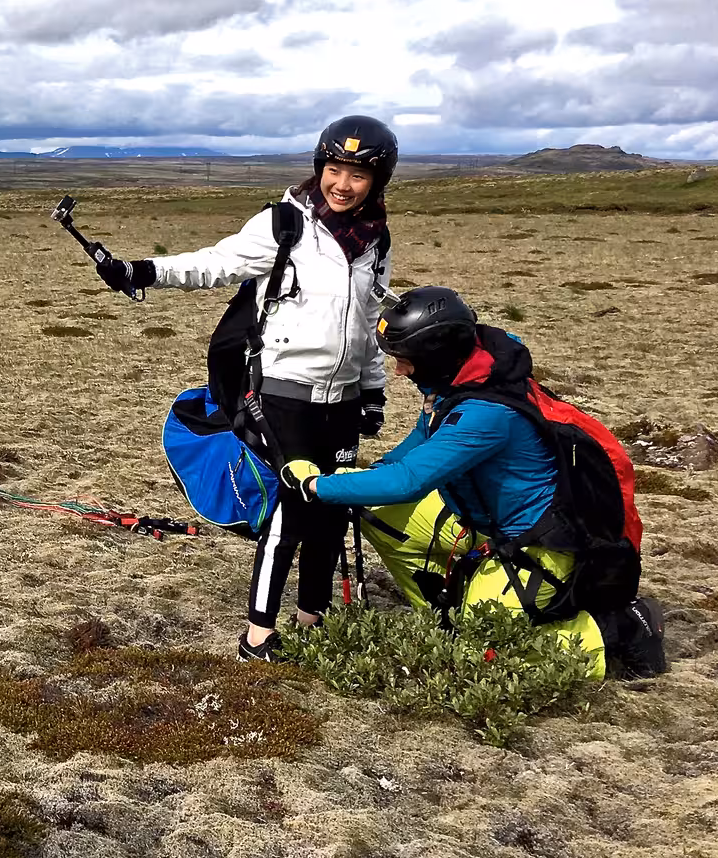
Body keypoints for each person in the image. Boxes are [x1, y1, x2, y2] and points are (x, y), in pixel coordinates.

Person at [98, 116, 397, 662]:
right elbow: (215, 263)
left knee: (333, 509)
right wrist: (141, 271)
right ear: (319, 168)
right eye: (334, 169)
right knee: (291, 507)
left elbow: (370, 321)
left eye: (357, 173)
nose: (343, 183)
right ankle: (257, 635)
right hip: (284, 394)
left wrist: (372, 392)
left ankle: (313, 620)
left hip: (344, 400)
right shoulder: (285, 224)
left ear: (378, 180)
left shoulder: (375, 239)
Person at [283, 285, 667, 679]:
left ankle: (618, 630)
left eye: (406, 361)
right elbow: (422, 440)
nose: (399, 370)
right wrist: (374, 471)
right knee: (369, 499)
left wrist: (316, 486)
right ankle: (444, 614)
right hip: (482, 522)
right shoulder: (462, 379)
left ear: (436, 356)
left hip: (540, 548)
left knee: (480, 654)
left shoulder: (487, 412)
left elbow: (409, 482)